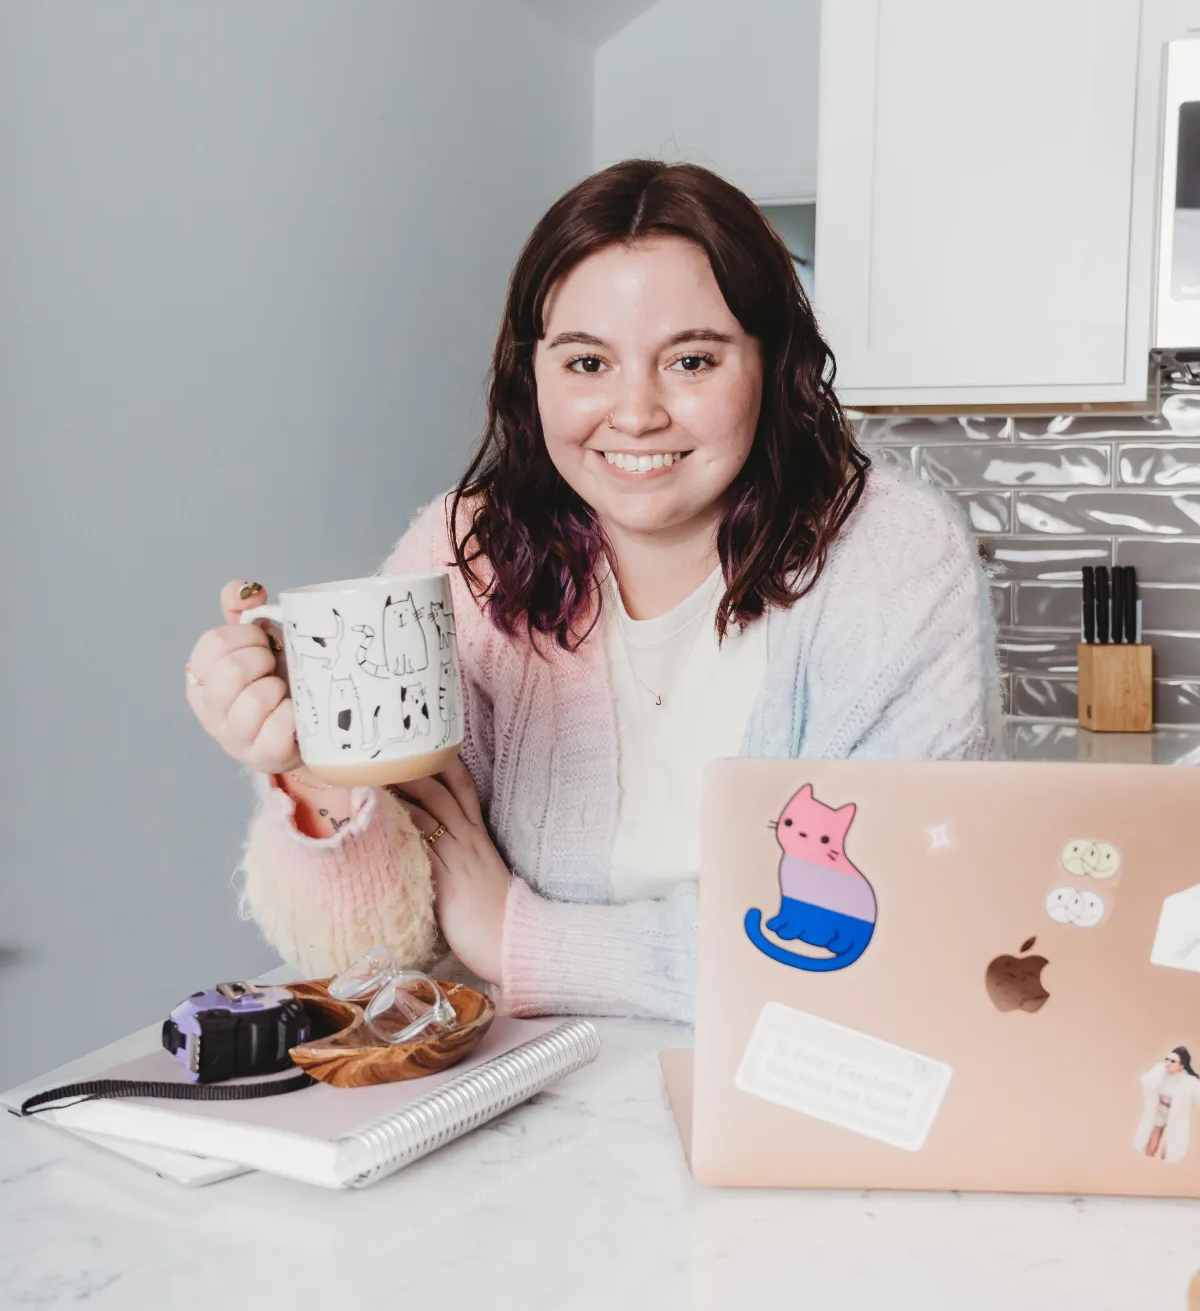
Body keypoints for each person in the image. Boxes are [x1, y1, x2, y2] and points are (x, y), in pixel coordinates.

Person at [185, 161, 999, 1022]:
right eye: (587, 362)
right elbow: (366, 951)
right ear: (531, 374)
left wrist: (518, 940)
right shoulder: (469, 553)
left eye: (691, 359)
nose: (636, 412)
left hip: (794, 1094)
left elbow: (896, 928)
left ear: (772, 363)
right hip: (522, 1106)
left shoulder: (892, 560)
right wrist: (316, 772)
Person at [1136, 1047, 1200, 1161]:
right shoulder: (1159, 1072)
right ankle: (1148, 1159)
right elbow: (1147, 1082)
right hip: (1160, 1110)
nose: (1168, 1063)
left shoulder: (1188, 1081)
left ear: (1181, 1066)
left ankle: (1166, 1163)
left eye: (1173, 1061)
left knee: (1171, 1139)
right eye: (1167, 1059)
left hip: (1175, 1113)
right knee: (1155, 1133)